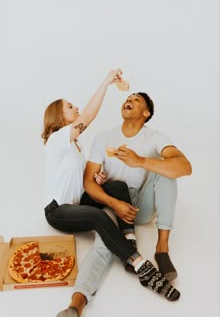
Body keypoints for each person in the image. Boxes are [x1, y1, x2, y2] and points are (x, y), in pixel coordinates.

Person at [41, 77, 181, 317]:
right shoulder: (58, 139)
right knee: (98, 217)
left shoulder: (74, 145)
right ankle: (140, 265)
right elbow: (87, 117)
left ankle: (129, 239)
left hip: (78, 202)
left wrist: (100, 181)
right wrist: (106, 83)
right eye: (69, 107)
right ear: (59, 117)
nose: (75, 108)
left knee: (116, 186)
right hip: (58, 210)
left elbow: (81, 179)